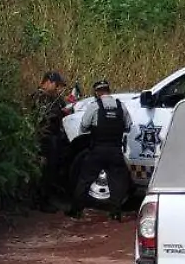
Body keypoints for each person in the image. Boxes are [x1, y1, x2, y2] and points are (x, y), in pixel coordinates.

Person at [67, 79, 133, 219]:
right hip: (115, 150)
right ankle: (115, 213)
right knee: (117, 182)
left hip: (97, 150)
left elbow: (84, 126)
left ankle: (76, 211)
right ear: (109, 90)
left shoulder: (94, 106)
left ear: (97, 92)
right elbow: (128, 126)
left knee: (84, 179)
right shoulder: (121, 106)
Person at [31, 72, 73, 211]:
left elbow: (63, 107)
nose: (58, 89)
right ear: (48, 82)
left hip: (54, 138)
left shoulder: (54, 98)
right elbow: (43, 116)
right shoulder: (39, 96)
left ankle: (48, 198)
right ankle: (40, 201)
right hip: (43, 138)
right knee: (44, 171)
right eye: (57, 85)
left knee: (52, 170)